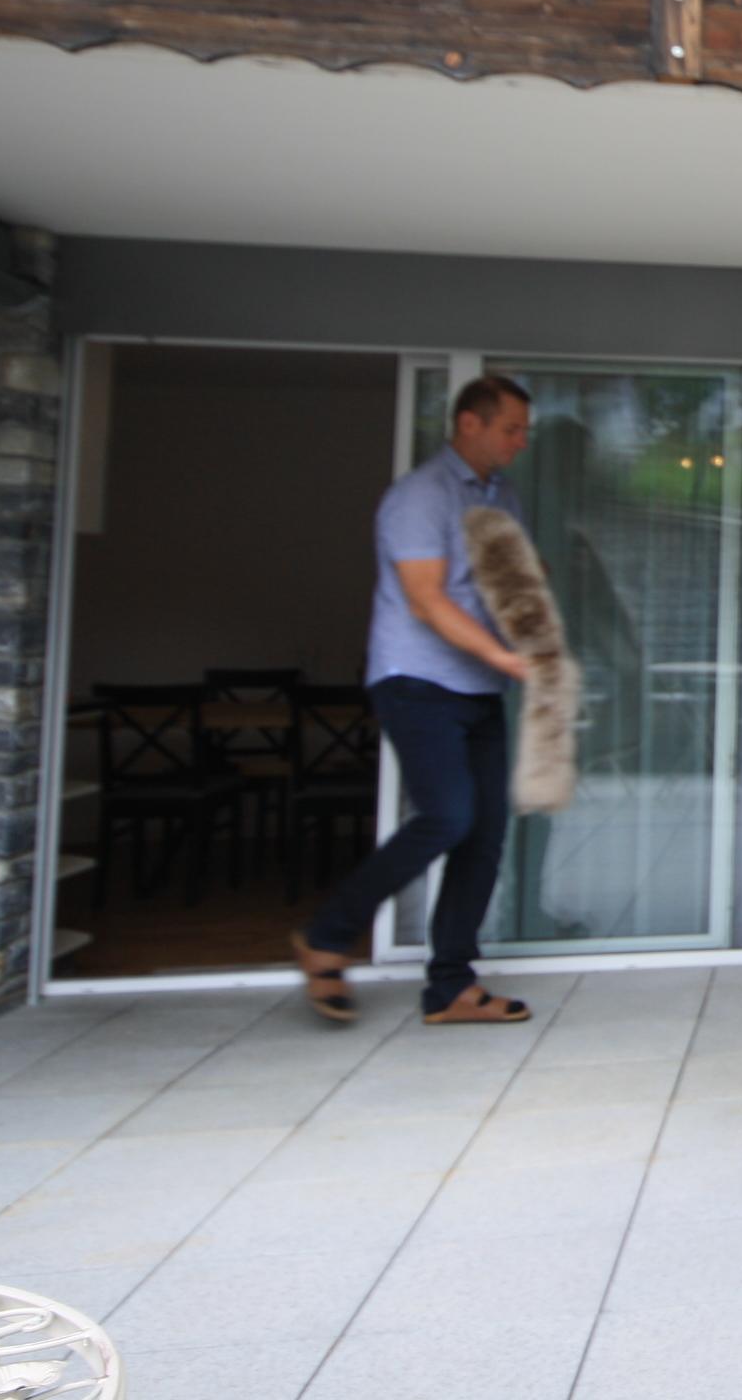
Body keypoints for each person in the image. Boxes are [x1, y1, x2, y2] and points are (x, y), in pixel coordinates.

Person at [291, 375, 537, 1027]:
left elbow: (508, 584)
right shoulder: (420, 496)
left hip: (479, 686)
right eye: (511, 428)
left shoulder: (502, 496)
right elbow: (427, 600)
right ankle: (326, 934)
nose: (521, 441)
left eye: (524, 430)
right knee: (448, 816)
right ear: (469, 424)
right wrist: (504, 656)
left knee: (484, 834)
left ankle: (451, 987)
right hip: (417, 680)